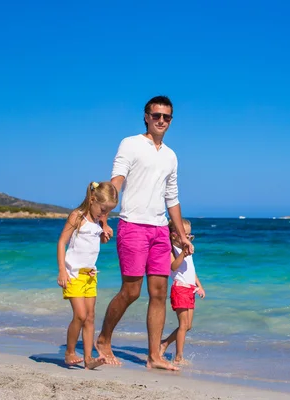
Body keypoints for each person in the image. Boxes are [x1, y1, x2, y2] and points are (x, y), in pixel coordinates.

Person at [96, 95, 194, 371]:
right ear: (146, 117)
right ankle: (103, 338)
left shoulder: (171, 156)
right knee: (131, 291)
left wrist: (181, 234)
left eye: (167, 117)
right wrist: (103, 215)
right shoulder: (131, 144)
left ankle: (154, 356)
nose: (161, 120)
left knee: (160, 292)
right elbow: (117, 179)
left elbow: (172, 199)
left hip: (160, 229)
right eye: (156, 115)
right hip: (132, 225)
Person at [57, 181, 118, 369]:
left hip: (90, 275)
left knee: (90, 317)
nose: (104, 214)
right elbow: (62, 243)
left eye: (108, 211)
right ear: (92, 200)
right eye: (103, 209)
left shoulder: (98, 221)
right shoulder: (77, 216)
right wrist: (62, 270)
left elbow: (94, 239)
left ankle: (89, 358)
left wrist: (104, 232)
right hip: (73, 274)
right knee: (80, 315)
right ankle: (69, 352)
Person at [160, 219, 205, 365]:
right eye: (184, 235)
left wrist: (199, 285)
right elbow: (173, 266)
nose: (188, 238)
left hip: (190, 290)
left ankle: (165, 343)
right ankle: (179, 357)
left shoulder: (186, 249)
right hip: (180, 289)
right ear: (174, 235)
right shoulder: (171, 249)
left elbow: (192, 271)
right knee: (183, 325)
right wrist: (183, 255)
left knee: (188, 326)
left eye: (189, 235)